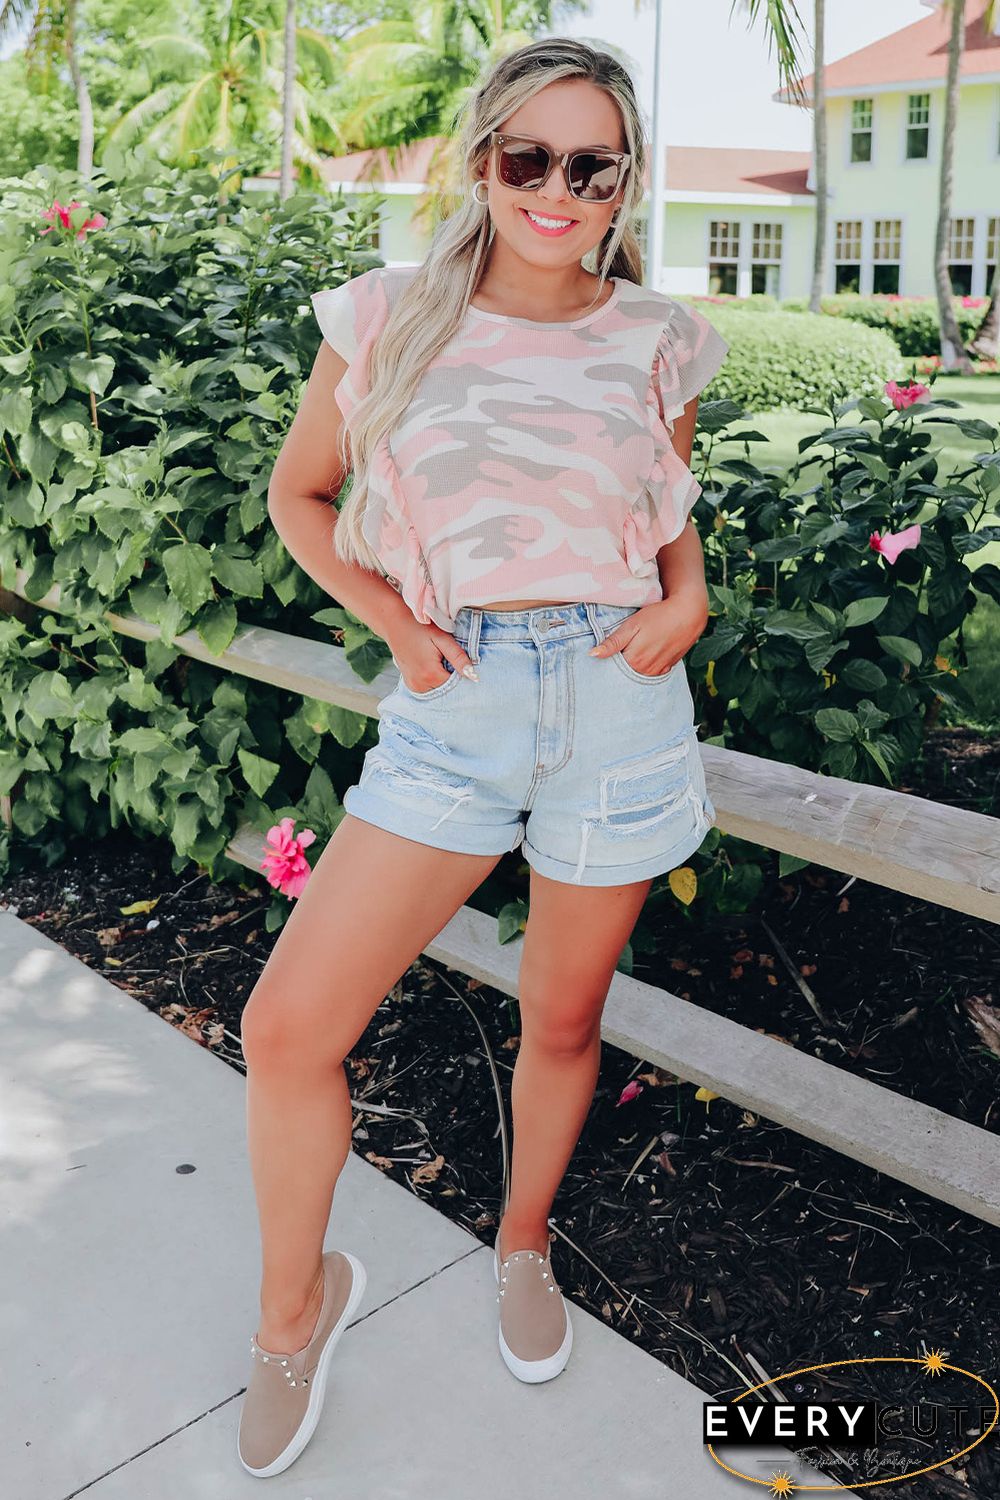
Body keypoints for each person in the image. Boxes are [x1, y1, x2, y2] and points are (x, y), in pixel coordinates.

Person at [236, 34, 728, 1478]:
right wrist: (390, 614)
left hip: (619, 700)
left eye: (593, 163)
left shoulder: (661, 335)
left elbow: (667, 502)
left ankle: (522, 1249)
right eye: (531, 157)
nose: (559, 188)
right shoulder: (386, 314)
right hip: (458, 704)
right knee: (286, 1032)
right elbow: (301, 491)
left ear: (625, 180)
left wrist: (691, 597)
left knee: (563, 1023)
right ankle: (293, 1312)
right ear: (481, 161)